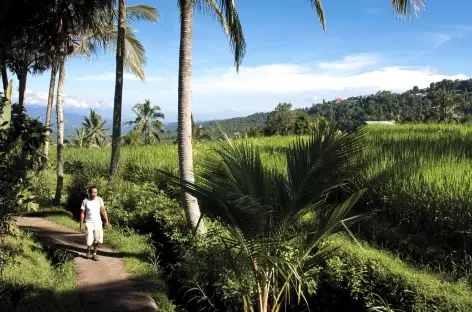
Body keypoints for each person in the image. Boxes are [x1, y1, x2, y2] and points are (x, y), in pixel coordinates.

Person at [79, 186, 111, 261]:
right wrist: (81, 224)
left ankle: (95, 254)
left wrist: (107, 221)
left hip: (98, 222)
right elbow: (82, 213)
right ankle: (88, 250)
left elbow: (103, 210)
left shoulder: (99, 200)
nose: (94, 194)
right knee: (89, 238)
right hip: (89, 222)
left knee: (97, 239)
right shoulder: (85, 201)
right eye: (93, 192)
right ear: (89, 193)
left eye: (95, 192)